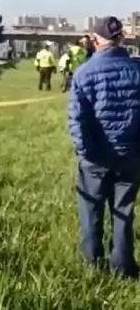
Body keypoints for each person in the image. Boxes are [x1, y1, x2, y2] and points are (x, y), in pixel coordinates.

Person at [68, 16, 140, 278]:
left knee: (91, 211)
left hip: (95, 157)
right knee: (123, 212)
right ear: (121, 38)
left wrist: (84, 152)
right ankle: (123, 268)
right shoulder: (137, 70)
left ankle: (92, 266)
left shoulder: (84, 73)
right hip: (130, 156)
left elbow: (77, 119)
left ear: (96, 41)